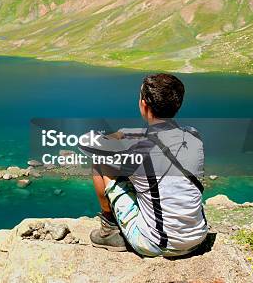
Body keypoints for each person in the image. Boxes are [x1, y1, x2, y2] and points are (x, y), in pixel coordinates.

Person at [88, 73, 208, 257]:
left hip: (157, 244)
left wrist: (115, 136)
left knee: (99, 163)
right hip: (197, 238)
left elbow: (90, 146)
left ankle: (109, 229)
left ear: (144, 104)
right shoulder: (194, 136)